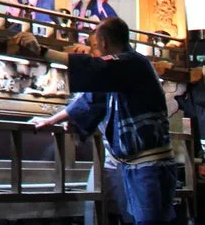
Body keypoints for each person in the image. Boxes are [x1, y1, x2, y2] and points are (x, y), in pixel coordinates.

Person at [33, 16, 175, 225]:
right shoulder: (119, 74)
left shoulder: (134, 63)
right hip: (130, 165)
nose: (94, 51)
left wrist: (42, 51)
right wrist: (51, 120)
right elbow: (90, 101)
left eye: (95, 46)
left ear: (103, 43)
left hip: (149, 165)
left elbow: (99, 68)